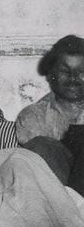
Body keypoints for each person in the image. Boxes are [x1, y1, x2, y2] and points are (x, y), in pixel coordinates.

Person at [16, 34, 84, 193]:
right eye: (64, 71)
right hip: (55, 193)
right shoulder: (33, 115)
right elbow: (42, 163)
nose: (73, 78)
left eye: (81, 71)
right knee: (40, 145)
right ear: (50, 74)